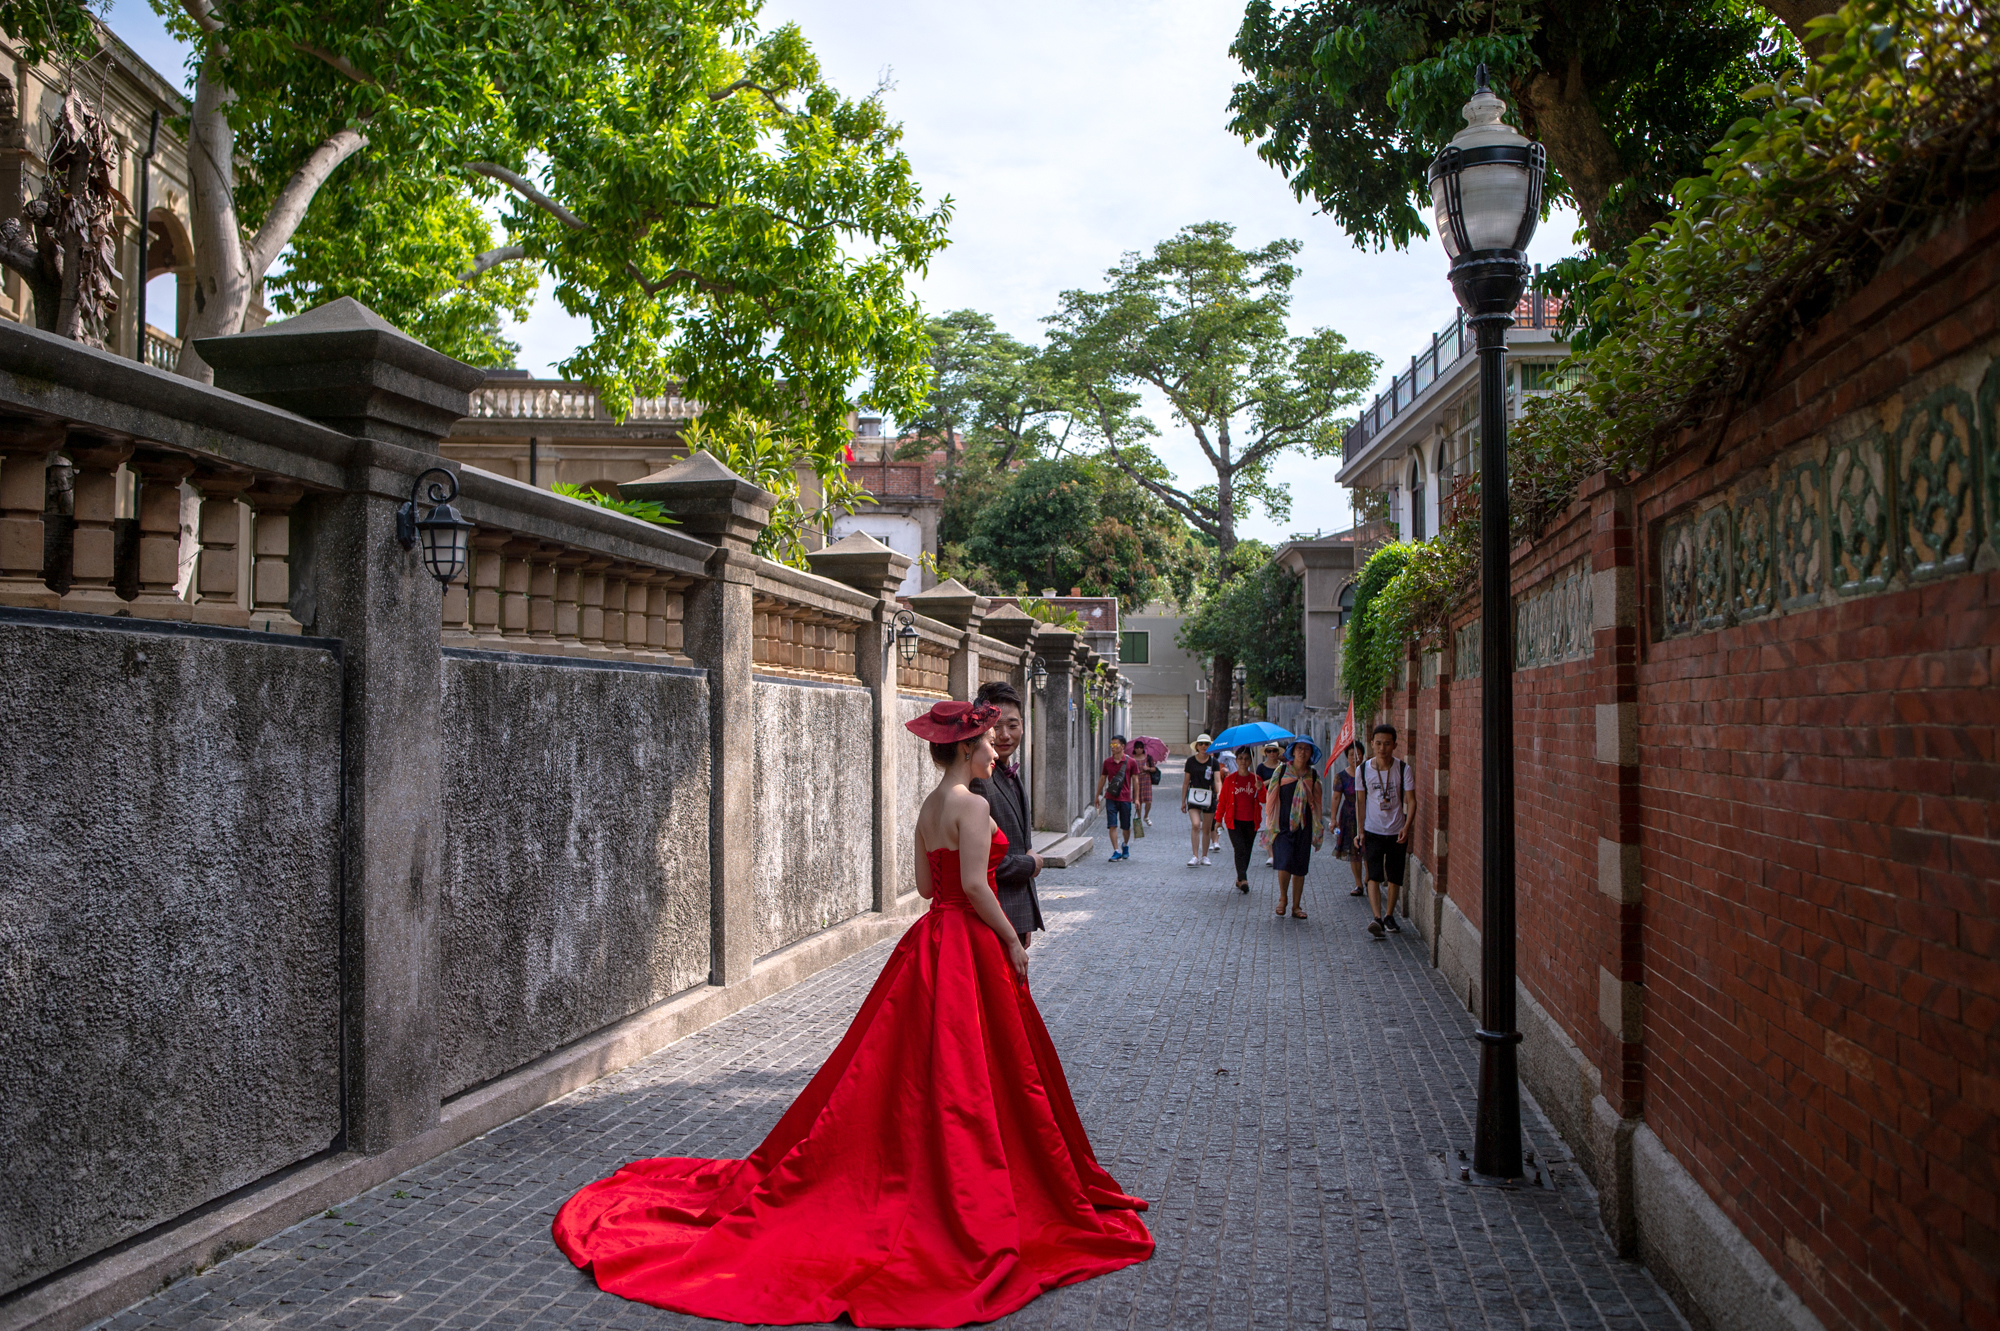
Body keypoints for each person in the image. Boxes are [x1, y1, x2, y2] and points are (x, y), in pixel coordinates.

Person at [553, 700, 1154, 1325]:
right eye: (986, 743)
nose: (996, 752)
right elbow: (977, 887)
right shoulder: (973, 805)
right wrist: (1009, 940)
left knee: (919, 1066)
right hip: (970, 942)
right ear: (967, 748)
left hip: (931, 942)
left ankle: (926, 1162)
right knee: (978, 1064)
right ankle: (968, 1176)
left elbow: (928, 887)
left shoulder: (929, 807)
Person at [969, 680, 1044, 947]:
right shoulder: (979, 780)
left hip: (1016, 913)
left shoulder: (1009, 773)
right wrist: (1031, 864)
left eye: (1013, 725)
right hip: (993, 918)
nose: (1005, 735)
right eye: (995, 727)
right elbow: (981, 863)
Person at [1361, 723, 1415, 938]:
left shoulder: (1403, 769)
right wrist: (1360, 831)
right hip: (1372, 829)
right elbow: (1360, 801)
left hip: (1396, 829)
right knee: (1373, 874)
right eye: (1378, 743)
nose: (1382, 747)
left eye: (1387, 743)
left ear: (1394, 745)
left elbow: (1411, 801)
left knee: (1394, 875)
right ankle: (1376, 918)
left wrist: (1406, 826)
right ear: (1372, 744)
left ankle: (1389, 914)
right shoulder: (1362, 769)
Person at [1261, 740, 1325, 919]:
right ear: (1293, 751)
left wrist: (1318, 827)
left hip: (1304, 826)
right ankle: (1283, 898)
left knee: (1300, 865)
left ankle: (1296, 906)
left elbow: (1318, 802)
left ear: (1311, 753)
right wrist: (1270, 822)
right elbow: (1271, 795)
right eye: (1299, 749)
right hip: (1283, 824)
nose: (1302, 752)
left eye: (1306, 749)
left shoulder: (1313, 775)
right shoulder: (1281, 771)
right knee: (1284, 861)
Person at [1216, 745, 1263, 893]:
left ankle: (1239, 878)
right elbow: (1223, 801)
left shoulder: (1256, 779)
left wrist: (1260, 788)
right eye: (1240, 758)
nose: (1243, 761)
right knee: (1239, 847)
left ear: (1251, 761)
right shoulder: (1230, 780)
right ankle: (1243, 878)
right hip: (1234, 821)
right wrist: (1218, 820)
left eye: (1246, 758)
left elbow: (1264, 799)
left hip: (1251, 820)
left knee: (1247, 849)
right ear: (1236, 760)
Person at [1330, 739, 1367, 898]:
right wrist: (1333, 819)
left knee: (1368, 849)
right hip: (1349, 815)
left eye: (1358, 754)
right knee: (1354, 851)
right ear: (1347, 757)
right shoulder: (1341, 776)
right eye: (1352, 754)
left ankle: (1369, 878)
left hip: (1368, 814)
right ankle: (1358, 883)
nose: (1355, 757)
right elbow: (1336, 798)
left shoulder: (1369, 773)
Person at [1094, 735, 1140, 861]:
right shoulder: (1107, 762)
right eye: (1111, 745)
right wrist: (1097, 795)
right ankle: (1116, 850)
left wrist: (1136, 799)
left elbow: (1135, 780)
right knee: (1112, 825)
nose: (1113, 747)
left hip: (1125, 798)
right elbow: (1103, 778)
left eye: (1115, 745)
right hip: (1111, 797)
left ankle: (1125, 845)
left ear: (1123, 746)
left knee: (1126, 826)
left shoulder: (1131, 762)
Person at [1182, 734, 1221, 866]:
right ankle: (1195, 855)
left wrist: (1220, 793)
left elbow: (1217, 780)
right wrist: (1183, 801)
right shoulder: (1191, 761)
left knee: (1206, 828)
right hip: (1193, 796)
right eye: (1201, 744)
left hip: (1209, 796)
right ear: (1197, 746)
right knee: (1196, 825)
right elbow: (1186, 782)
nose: (1204, 746)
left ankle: (1204, 855)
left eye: (1206, 744)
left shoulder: (1213, 762)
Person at [1255, 741, 1284, 867]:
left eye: (1274, 751)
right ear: (1265, 753)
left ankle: (1279, 853)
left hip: (1281, 799)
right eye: (1269, 751)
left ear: (1278, 752)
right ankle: (1271, 855)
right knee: (1268, 826)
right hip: (1266, 800)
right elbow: (1259, 785)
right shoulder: (1261, 767)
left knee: (1278, 825)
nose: (1272, 753)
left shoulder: (1283, 767)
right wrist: (1272, 781)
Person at [1137, 747, 1161, 826]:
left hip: (1146, 779)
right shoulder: (1132, 759)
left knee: (1148, 800)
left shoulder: (1148, 757)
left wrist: (1147, 768)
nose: (1138, 749)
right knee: (1138, 801)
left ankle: (1146, 816)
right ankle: (1139, 818)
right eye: (1136, 747)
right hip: (1137, 780)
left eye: (1140, 747)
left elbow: (1154, 769)